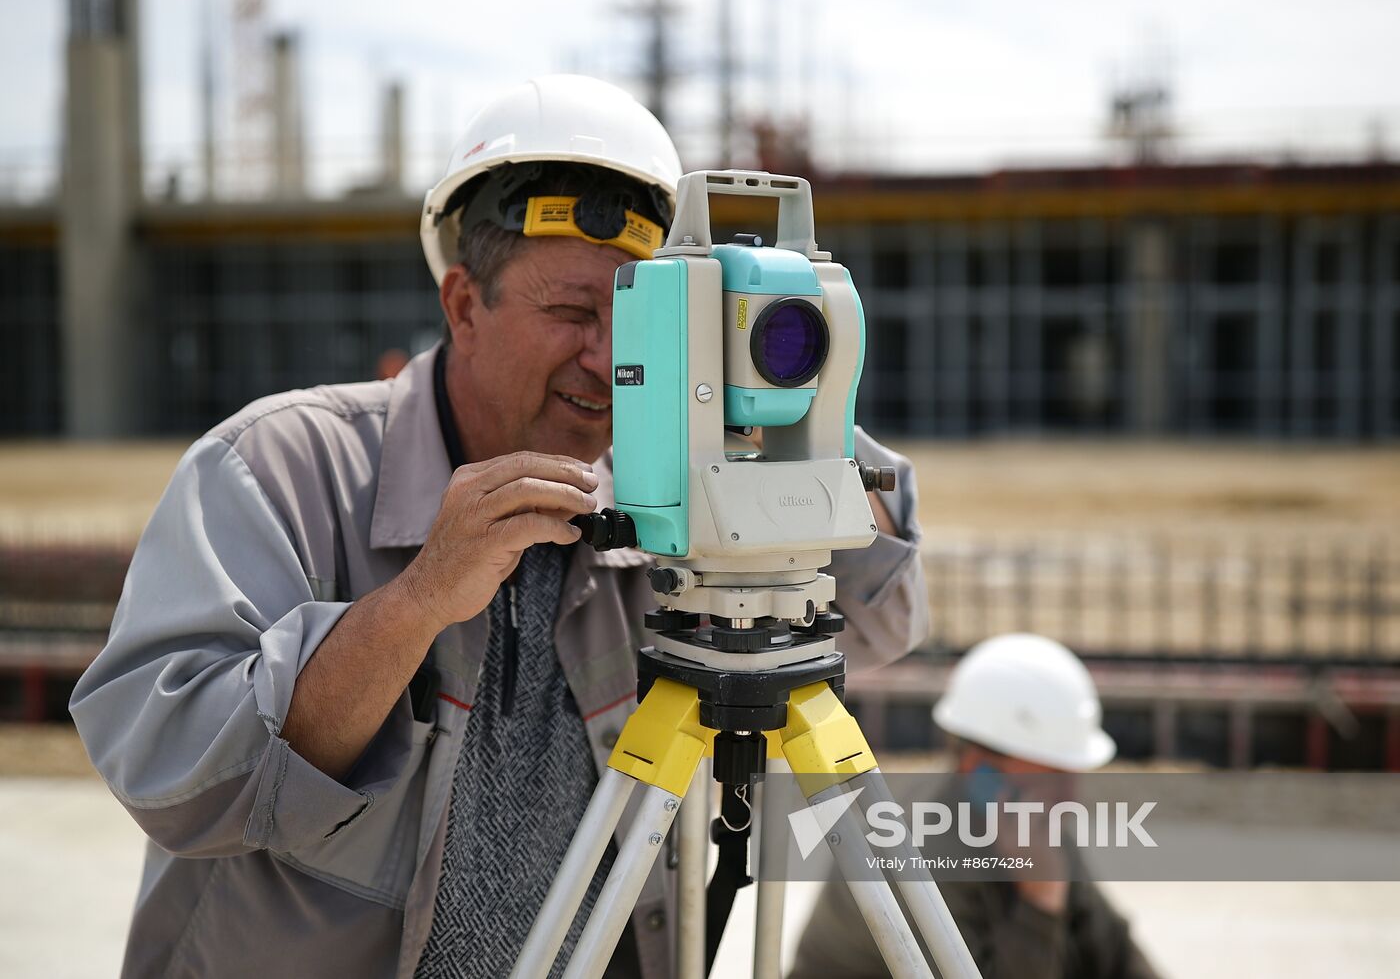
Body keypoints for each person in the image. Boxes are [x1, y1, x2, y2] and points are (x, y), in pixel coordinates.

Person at [70, 75, 929, 979]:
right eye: (570, 313)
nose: (607, 359)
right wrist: (416, 602)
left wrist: (782, 390)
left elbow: (881, 616)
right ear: (463, 306)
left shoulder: (662, 495)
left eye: (639, 320)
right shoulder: (280, 468)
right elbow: (172, 773)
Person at [791, 634, 1160, 978]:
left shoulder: (1032, 823)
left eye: (1071, 775)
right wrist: (1041, 899)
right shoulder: (915, 850)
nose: (1068, 797)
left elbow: (1114, 950)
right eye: (1049, 775)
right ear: (977, 764)